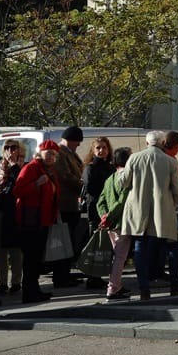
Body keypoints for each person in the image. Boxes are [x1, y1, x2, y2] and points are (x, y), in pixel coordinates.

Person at [115, 130, 178, 299]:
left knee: (140, 247)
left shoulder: (134, 158)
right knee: (171, 246)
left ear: (147, 143)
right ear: (163, 143)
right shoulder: (170, 161)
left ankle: (144, 288)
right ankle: (175, 284)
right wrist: (173, 205)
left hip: (138, 208)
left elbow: (123, 183)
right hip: (162, 210)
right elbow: (177, 190)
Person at [12, 140, 63, 304]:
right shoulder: (32, 168)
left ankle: (34, 290)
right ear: (40, 153)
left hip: (43, 220)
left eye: (54, 154)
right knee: (31, 259)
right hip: (31, 221)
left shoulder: (50, 170)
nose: (51, 156)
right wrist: (36, 184)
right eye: (48, 153)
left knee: (36, 259)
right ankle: (29, 292)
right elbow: (17, 191)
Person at [0, 141, 26, 296]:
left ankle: (16, 281)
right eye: (7, 148)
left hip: (15, 212)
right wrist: (1, 177)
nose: (10, 150)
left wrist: (15, 167)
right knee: (0, 249)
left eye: (14, 147)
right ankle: (2, 283)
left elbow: (20, 185)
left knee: (16, 249)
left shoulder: (22, 166)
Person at [49, 125, 86, 287]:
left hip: (72, 204)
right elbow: (65, 176)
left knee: (69, 241)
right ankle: (60, 276)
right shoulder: (60, 153)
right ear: (70, 140)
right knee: (63, 241)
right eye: (76, 142)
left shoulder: (69, 153)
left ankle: (65, 273)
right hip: (64, 205)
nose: (77, 146)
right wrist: (83, 187)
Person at [95, 147, 133, 299]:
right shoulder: (126, 177)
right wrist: (109, 217)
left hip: (110, 223)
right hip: (121, 222)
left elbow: (101, 201)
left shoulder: (110, 178)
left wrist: (104, 216)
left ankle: (117, 286)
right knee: (120, 257)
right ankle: (113, 288)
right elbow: (122, 201)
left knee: (117, 255)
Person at [80, 136, 116, 290]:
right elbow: (91, 189)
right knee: (95, 244)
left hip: (109, 210)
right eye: (98, 148)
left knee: (105, 245)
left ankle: (99, 275)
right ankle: (92, 277)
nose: (101, 151)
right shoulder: (90, 167)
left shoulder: (110, 167)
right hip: (96, 210)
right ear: (93, 150)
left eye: (104, 148)